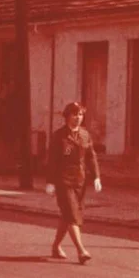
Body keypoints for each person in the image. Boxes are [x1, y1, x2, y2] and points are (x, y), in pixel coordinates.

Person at [45, 102, 102, 264]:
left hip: (80, 181)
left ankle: (56, 246)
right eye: (74, 114)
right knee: (72, 216)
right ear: (67, 116)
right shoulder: (59, 136)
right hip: (63, 181)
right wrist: (50, 182)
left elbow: (91, 156)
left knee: (67, 215)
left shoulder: (85, 135)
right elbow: (52, 161)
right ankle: (81, 250)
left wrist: (96, 176)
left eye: (81, 115)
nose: (78, 118)